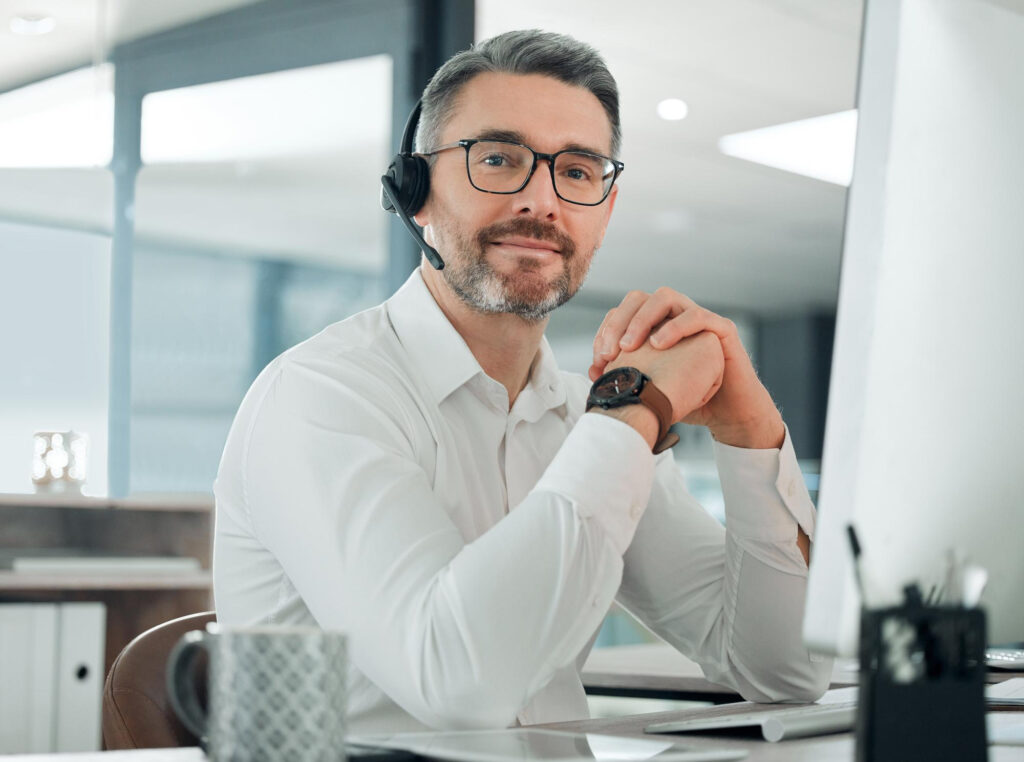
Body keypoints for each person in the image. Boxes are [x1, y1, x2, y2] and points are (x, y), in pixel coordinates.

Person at [213, 29, 831, 733]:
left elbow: (783, 669)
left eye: (577, 171)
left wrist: (750, 432)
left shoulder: (587, 418)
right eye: (499, 159)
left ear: (605, 208)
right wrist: (636, 410)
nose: (543, 201)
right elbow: (455, 684)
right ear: (413, 193)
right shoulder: (321, 396)